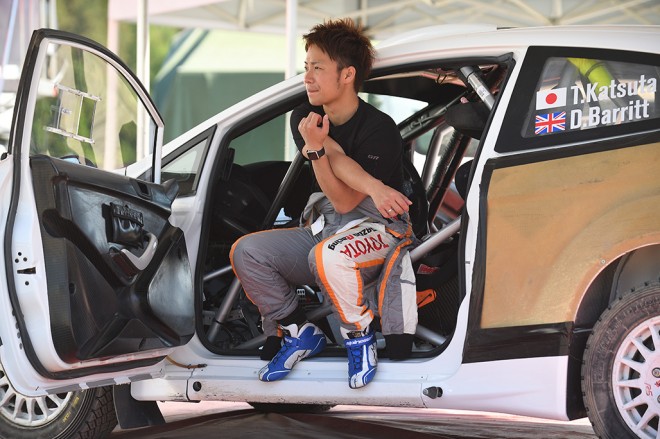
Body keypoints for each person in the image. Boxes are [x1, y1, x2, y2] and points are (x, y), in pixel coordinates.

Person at [230, 18, 418, 389]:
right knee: (247, 251)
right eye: (306, 67)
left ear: (347, 74)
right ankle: (299, 331)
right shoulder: (305, 116)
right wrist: (320, 152)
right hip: (327, 227)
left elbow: (346, 201)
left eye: (318, 68)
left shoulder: (380, 129)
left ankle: (359, 338)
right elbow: (334, 158)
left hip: (379, 228)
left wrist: (371, 187)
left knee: (328, 254)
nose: (307, 77)